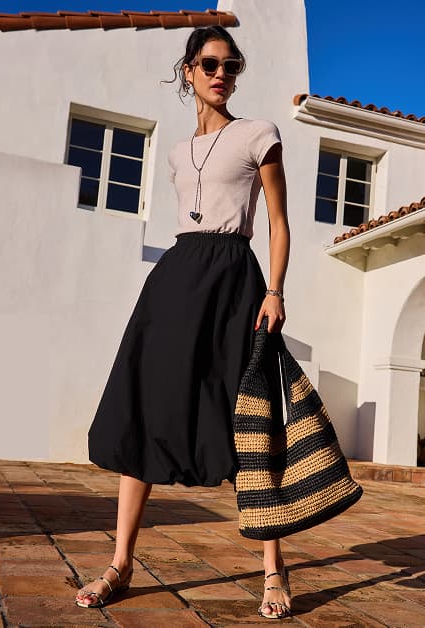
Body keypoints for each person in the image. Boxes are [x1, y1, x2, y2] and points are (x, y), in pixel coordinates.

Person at [74, 25, 292, 620]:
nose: (222, 74)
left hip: (234, 280)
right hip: (175, 279)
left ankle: (273, 568)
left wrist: (274, 292)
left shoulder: (259, 134)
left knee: (248, 418)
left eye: (231, 65)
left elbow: (278, 221)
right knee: (144, 406)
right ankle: (120, 562)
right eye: (210, 64)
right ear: (189, 70)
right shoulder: (175, 153)